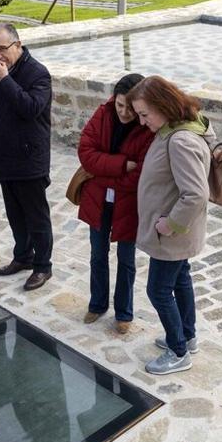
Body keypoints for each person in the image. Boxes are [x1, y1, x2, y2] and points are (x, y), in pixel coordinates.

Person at [129, 76, 215, 376]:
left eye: (144, 114)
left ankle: (178, 351)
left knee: (158, 291)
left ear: (163, 106)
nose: (142, 122)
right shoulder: (173, 130)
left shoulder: (179, 140)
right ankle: (187, 337)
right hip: (172, 235)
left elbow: (196, 194)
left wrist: (170, 224)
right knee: (180, 281)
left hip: (171, 235)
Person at [76, 73, 152, 335]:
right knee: (97, 255)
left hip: (128, 205)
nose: (124, 112)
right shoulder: (103, 114)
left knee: (126, 260)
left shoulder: (146, 127)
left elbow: (141, 173)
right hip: (98, 201)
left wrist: (104, 169)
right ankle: (97, 304)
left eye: (130, 108)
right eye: (120, 105)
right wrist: (121, 164)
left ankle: (124, 312)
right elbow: (86, 153)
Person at [0, 23, 53, 292]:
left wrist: (6, 80)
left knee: (37, 217)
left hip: (28, 160)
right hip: (3, 158)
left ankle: (43, 266)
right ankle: (23, 257)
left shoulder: (37, 73)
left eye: (2, 48)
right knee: (15, 214)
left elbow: (31, 109)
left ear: (18, 45)